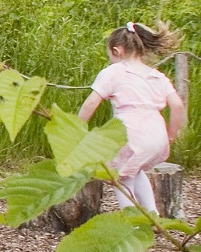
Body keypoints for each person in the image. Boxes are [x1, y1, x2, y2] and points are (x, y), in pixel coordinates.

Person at [78, 21, 187, 215]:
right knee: (134, 171)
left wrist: (77, 127)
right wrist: (171, 135)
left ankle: (132, 220)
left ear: (117, 51)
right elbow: (177, 105)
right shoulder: (157, 76)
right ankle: (152, 214)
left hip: (130, 133)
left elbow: (90, 103)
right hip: (157, 134)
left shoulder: (113, 72)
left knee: (119, 177)